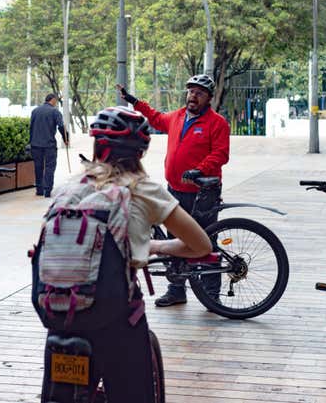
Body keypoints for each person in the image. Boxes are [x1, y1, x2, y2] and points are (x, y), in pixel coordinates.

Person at [38, 106, 212, 402]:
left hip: (60, 317)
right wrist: (157, 246)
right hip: (116, 319)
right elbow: (201, 244)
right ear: (140, 153)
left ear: (95, 146)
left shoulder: (69, 189)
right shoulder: (144, 189)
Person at [117, 74, 230, 307]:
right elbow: (157, 119)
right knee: (173, 240)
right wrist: (134, 101)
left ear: (208, 98)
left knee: (205, 240)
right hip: (175, 187)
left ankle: (212, 295)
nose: (193, 96)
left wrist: (200, 170)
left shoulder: (217, 122)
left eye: (199, 93)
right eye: (191, 91)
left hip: (203, 192)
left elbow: (221, 154)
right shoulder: (178, 117)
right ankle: (176, 290)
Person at [29, 93, 69, 198]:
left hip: (35, 144)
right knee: (50, 167)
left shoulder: (35, 111)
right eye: (56, 101)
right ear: (53, 100)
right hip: (49, 144)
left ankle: (39, 189)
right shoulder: (55, 112)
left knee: (38, 167)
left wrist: (31, 142)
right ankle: (47, 190)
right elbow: (61, 126)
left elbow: (31, 128)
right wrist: (66, 139)